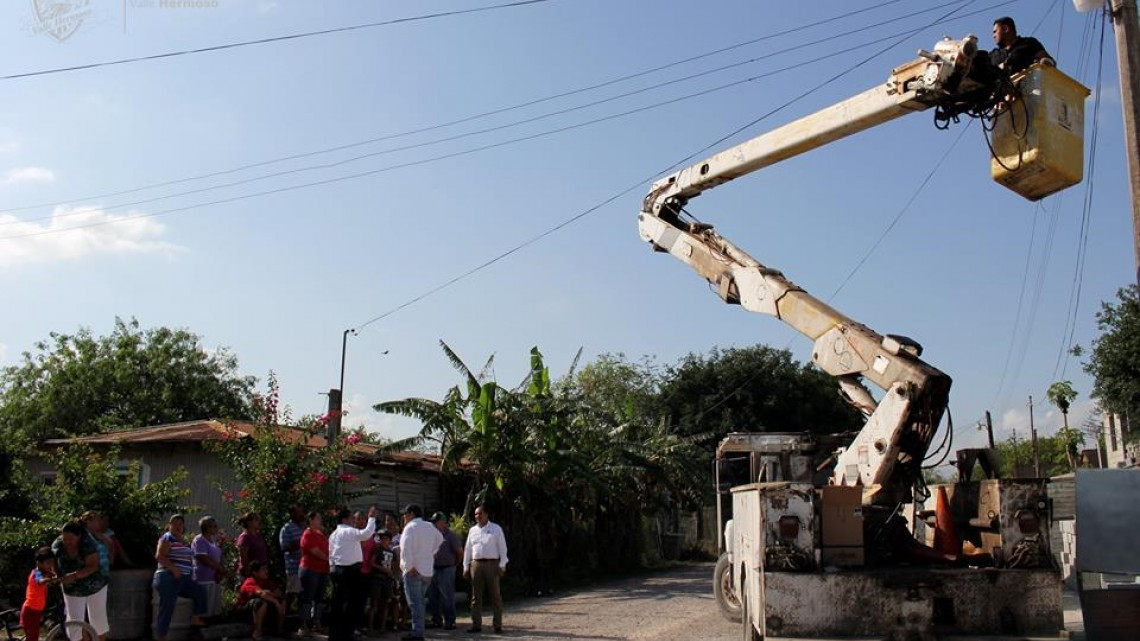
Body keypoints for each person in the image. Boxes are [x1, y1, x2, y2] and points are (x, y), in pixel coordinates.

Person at [327, 506, 378, 641]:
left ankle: (335, 634)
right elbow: (367, 534)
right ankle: (346, 633)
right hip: (349, 571)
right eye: (351, 518)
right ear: (345, 519)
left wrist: (332, 567)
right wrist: (372, 518)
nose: (353, 520)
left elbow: (331, 553)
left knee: (338, 602)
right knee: (353, 602)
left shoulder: (333, 534)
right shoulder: (348, 531)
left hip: (337, 569)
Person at [153, 514, 207, 641]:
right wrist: (173, 568)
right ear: (169, 526)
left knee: (200, 592)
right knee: (167, 607)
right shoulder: (167, 537)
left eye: (180, 524)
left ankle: (195, 620)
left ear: (183, 527)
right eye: (174, 523)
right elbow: (159, 556)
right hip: (169, 577)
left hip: (183, 579)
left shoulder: (182, 542)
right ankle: (161, 637)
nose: (177, 526)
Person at [53, 520, 110, 641]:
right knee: (74, 621)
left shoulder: (89, 544)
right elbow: (53, 562)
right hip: (71, 587)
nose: (67, 542)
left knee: (97, 620)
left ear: (79, 536)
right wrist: (56, 575)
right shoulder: (58, 545)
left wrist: (74, 576)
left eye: (71, 539)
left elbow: (93, 566)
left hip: (94, 584)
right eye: (65, 539)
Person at [398, 504, 443, 641]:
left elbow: (405, 548)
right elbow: (440, 539)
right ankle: (418, 630)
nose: (404, 517)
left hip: (414, 571)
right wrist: (431, 553)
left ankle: (417, 632)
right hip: (427, 571)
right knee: (420, 602)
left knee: (415, 603)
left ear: (411, 514)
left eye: (405, 514)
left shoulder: (410, 527)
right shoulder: (430, 526)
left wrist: (409, 566)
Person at [462, 506, 509, 634]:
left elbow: (502, 548)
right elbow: (468, 549)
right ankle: (476, 624)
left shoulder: (496, 529)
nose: (478, 516)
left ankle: (497, 625)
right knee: (476, 596)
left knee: (495, 595)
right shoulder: (472, 530)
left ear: (486, 514)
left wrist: (502, 565)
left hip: (492, 564)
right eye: (476, 514)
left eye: (480, 514)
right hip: (476, 564)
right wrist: (466, 566)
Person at [426, 513, 462, 631]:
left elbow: (459, 552)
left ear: (442, 522)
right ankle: (436, 620)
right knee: (432, 596)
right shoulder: (431, 535)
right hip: (433, 568)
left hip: (447, 568)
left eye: (435, 522)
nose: (433, 524)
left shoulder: (450, 535)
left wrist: (454, 565)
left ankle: (450, 621)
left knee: (447, 596)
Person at [237, 560, 285, 641]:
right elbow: (262, 594)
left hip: (261, 612)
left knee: (282, 601)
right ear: (255, 573)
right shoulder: (249, 582)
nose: (266, 571)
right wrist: (275, 602)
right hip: (244, 614)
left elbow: (279, 593)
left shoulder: (266, 581)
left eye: (266, 569)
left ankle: (279, 630)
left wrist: (269, 593)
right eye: (263, 569)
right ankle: (257, 632)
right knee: (261, 602)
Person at [298, 511, 330, 633]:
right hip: (310, 569)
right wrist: (330, 559)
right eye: (318, 518)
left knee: (320, 598)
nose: (320, 520)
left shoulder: (320, 534)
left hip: (323, 570)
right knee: (307, 597)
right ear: (311, 520)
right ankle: (303, 625)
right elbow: (315, 551)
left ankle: (317, 622)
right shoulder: (308, 534)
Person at [990, 16, 1055, 74]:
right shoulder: (992, 55)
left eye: (995, 32)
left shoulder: (1029, 43)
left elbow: (1048, 60)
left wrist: (1045, 61)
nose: (993, 36)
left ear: (1005, 28)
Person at [191, 516, 227, 617]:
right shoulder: (199, 540)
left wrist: (220, 570)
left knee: (213, 606)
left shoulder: (213, 540)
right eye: (214, 526)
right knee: (205, 604)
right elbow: (202, 557)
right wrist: (220, 568)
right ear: (207, 528)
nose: (217, 528)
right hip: (203, 578)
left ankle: (211, 620)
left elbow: (217, 555)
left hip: (214, 577)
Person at [21, 547, 58, 641]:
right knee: (32, 637)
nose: (50, 565)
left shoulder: (46, 572)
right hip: (30, 611)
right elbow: (40, 581)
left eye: (52, 562)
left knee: (34, 636)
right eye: (48, 563)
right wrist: (52, 579)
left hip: (37, 610)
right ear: (39, 563)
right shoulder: (36, 573)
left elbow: (54, 575)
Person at [367, 529, 397, 633]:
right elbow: (372, 563)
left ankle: (382, 627)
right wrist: (383, 569)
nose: (384, 541)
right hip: (377, 578)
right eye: (382, 538)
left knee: (386, 603)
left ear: (390, 540)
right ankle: (370, 627)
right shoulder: (377, 550)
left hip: (387, 580)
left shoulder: (392, 552)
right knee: (374, 603)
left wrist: (391, 572)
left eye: (386, 539)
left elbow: (394, 565)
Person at [279, 505, 305, 613]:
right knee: (291, 593)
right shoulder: (287, 528)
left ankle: (302, 617)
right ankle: (282, 615)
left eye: (302, 512)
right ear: (293, 514)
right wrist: (300, 542)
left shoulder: (304, 527)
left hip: (305, 566)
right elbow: (284, 547)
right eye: (299, 512)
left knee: (304, 594)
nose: (302, 515)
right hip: (294, 567)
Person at [236, 512, 269, 583]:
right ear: (249, 522)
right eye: (256, 519)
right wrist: (248, 571)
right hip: (249, 573)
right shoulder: (245, 537)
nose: (259, 521)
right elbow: (243, 556)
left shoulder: (259, 535)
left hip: (260, 572)